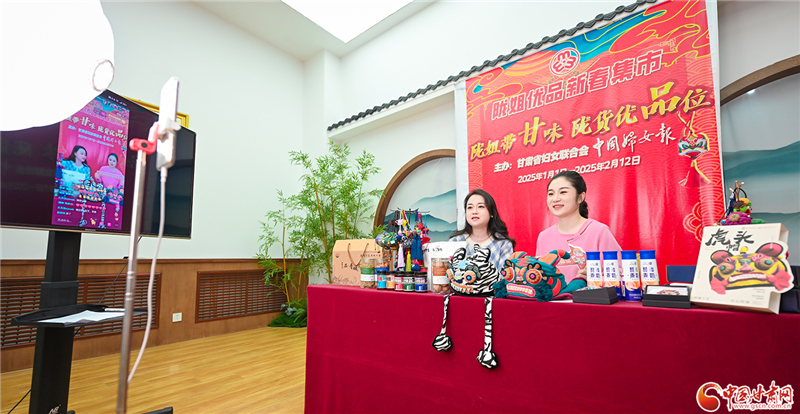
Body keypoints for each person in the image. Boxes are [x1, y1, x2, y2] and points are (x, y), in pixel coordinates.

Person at [536, 170, 621, 283]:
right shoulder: (544, 237)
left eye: (563, 192)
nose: (555, 199)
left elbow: (621, 274)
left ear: (580, 197)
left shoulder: (599, 231)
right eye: (551, 193)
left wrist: (594, 279)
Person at [449, 189, 515, 272]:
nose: (474, 211)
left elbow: (504, 277)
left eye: (480, 206)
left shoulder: (503, 244)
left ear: (491, 213)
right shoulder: (455, 242)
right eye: (470, 207)